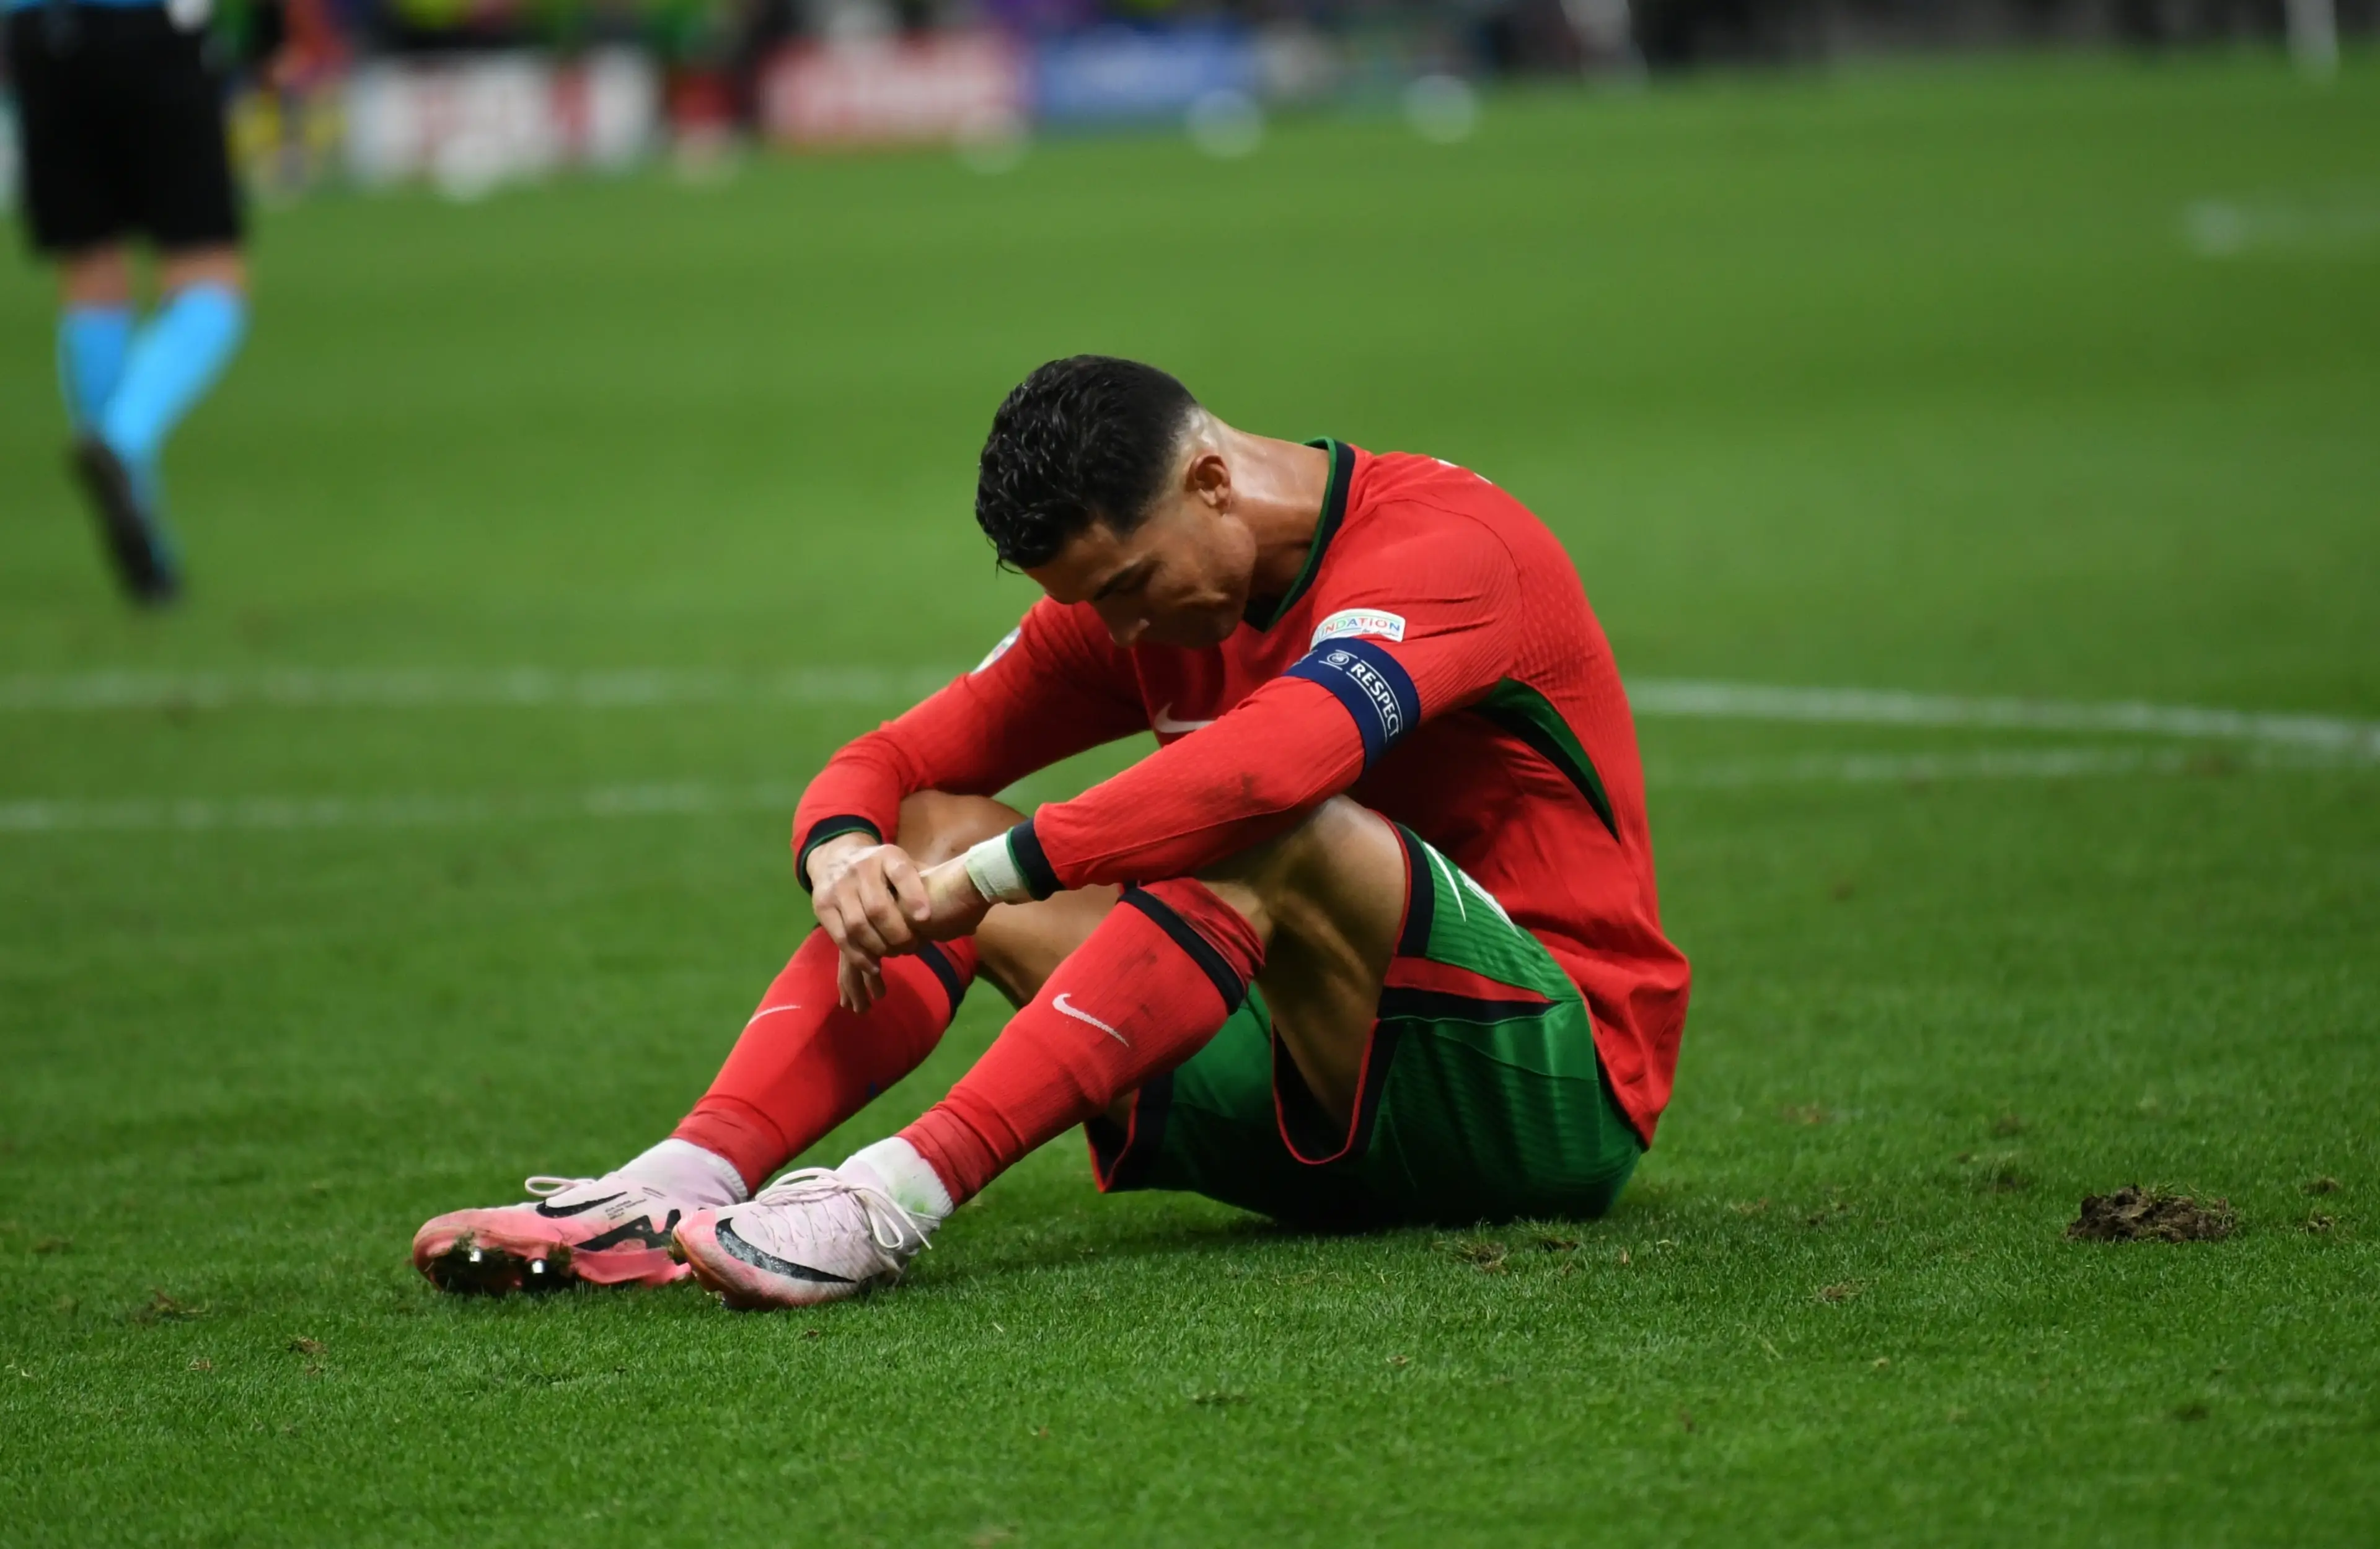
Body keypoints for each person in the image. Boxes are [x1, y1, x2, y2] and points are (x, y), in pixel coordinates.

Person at [412, 356, 1693, 1309]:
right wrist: (845, 854)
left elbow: (1276, 767)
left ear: (1211, 480)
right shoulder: (1132, 604)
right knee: (930, 826)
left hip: (1543, 1098)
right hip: (1311, 1108)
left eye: (1130, 587)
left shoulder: (1451, 546)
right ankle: (679, 1183)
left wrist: (998, 876)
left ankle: (887, 1200)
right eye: (1095, 604)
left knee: (1269, 818)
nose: (1122, 634)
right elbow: (892, 763)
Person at [4, 0, 314, 603]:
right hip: (152, 32)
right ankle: (124, 436)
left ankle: (148, 550)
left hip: (40, 36)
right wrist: (269, 33)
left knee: (91, 276)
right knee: (211, 276)